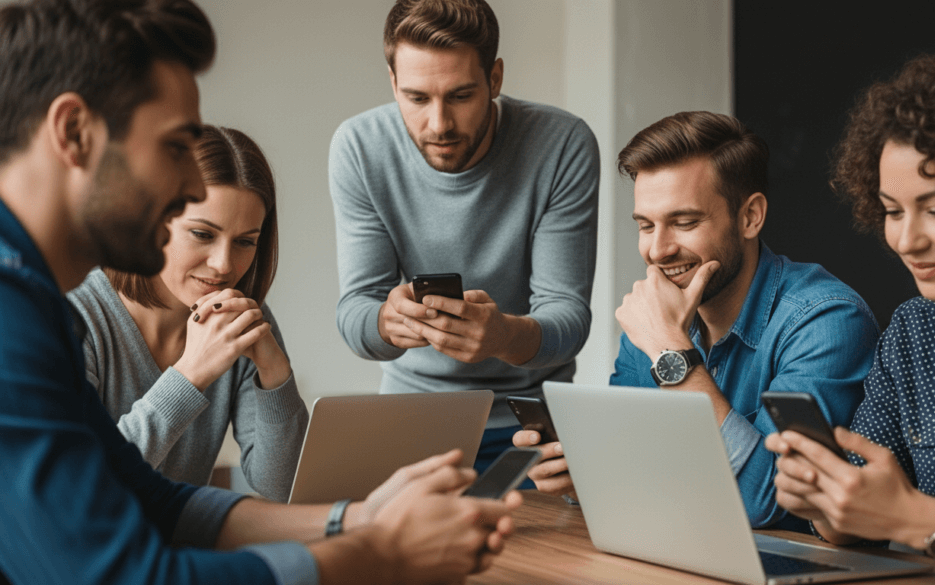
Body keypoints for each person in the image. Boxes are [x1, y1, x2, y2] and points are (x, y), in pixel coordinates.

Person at [0, 1, 518, 584]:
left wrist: (358, 518)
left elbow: (153, 497)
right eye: (175, 147)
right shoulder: (11, 315)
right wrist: (382, 555)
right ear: (73, 132)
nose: (193, 184)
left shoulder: (32, 301)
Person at [516, 111, 879, 530]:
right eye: (645, 225)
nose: (658, 250)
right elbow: (639, 471)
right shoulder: (654, 318)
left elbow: (767, 502)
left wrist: (673, 351)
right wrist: (584, 476)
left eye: (684, 222)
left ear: (750, 217)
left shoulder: (826, 321)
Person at [766, 51, 935, 580]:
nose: (907, 241)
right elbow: (859, 513)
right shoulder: (912, 332)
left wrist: (918, 519)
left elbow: (902, 516)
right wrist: (826, 501)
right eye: (892, 211)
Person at [329, 0, 599, 473]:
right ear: (393, 82)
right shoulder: (359, 148)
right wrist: (387, 323)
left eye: (460, 96)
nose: (439, 125)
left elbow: (569, 321)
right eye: (416, 98)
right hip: (412, 416)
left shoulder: (562, 144)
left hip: (530, 421)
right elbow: (355, 313)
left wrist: (502, 336)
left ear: (495, 79)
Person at [67, 125, 307, 502]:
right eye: (202, 234)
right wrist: (192, 373)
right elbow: (82, 486)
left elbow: (280, 487)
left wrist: (275, 373)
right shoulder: (77, 317)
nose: (224, 265)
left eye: (245, 242)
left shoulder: (239, 320)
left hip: (178, 550)